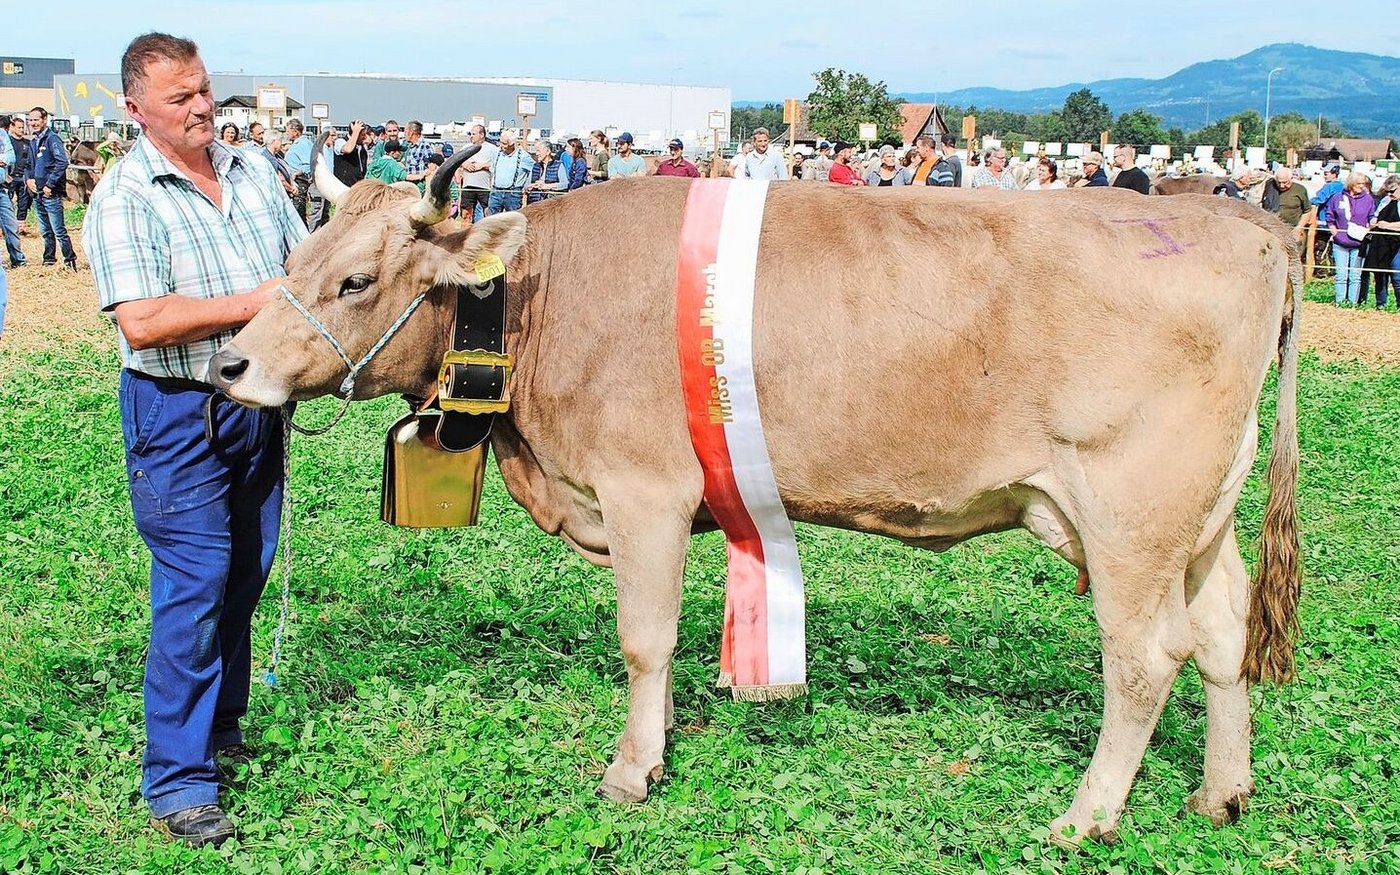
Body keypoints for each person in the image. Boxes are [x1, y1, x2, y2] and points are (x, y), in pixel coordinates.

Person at [82, 31, 307, 849]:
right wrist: (257, 300)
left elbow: (303, 264)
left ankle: (220, 726)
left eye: (206, 90)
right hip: (176, 413)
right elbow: (142, 322)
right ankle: (177, 781)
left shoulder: (253, 172)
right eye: (180, 98)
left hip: (253, 406)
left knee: (245, 571)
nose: (203, 107)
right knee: (195, 585)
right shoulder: (124, 195)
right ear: (136, 110)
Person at [25, 107, 77, 268]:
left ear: (45, 119)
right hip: (37, 193)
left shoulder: (52, 139)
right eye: (31, 120)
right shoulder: (34, 141)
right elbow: (28, 165)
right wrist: (28, 180)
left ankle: (69, 260)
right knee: (45, 230)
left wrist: (50, 184)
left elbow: (62, 162)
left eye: (36, 120)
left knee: (58, 230)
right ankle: (48, 259)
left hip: (50, 193)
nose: (33, 123)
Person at [1326, 171, 1377, 307]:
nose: (1362, 186)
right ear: (1351, 184)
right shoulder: (1337, 198)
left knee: (1355, 276)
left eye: (1363, 184)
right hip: (1340, 242)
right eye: (1359, 183)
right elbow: (1329, 216)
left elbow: (1371, 215)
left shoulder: (1368, 199)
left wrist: (1372, 223)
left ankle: (1353, 303)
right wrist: (1334, 232)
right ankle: (1340, 302)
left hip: (1359, 242)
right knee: (1341, 275)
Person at [0, 116, 26, 268]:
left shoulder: (3, 136)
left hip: (2, 189)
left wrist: (4, 159)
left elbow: (11, 158)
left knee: (11, 226)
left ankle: (18, 260)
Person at [458, 124, 498, 222]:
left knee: (488, 212)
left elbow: (497, 165)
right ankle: (465, 233)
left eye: (474, 134)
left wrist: (482, 165)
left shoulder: (493, 149)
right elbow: (458, 161)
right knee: (466, 213)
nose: (471, 136)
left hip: (484, 186)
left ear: (482, 135)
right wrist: (465, 164)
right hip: (468, 185)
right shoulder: (466, 148)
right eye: (471, 134)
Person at [487, 133, 531, 213]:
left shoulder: (524, 156)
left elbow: (532, 170)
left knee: (512, 220)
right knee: (492, 219)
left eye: (504, 144)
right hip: (496, 192)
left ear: (512, 144)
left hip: (513, 193)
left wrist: (527, 185)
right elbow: (492, 168)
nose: (501, 145)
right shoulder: (496, 153)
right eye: (500, 142)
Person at [281, 119, 312, 226]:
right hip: (293, 180)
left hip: (299, 181)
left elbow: (309, 164)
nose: (286, 133)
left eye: (288, 131)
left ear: (295, 131)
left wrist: (297, 173)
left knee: (298, 212)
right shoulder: (296, 144)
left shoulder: (303, 144)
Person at [1269, 167, 1310, 240]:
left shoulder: (1300, 190)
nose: (1281, 186)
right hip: (1273, 230)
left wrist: (1299, 227)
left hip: (1293, 230)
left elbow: (1307, 211)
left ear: (1291, 178)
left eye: (1285, 182)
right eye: (1279, 182)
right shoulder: (1270, 188)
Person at [8, 116, 32, 229]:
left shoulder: (28, 143)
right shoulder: (7, 142)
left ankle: (20, 225)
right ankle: (5, 225)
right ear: (12, 127)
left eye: (23, 127)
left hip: (23, 177)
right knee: (7, 201)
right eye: (19, 127)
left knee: (24, 202)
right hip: (10, 177)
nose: (21, 130)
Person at [332, 120, 370, 188]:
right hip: (342, 186)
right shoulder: (340, 141)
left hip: (358, 186)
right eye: (362, 135)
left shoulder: (362, 147)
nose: (365, 137)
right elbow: (348, 149)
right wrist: (355, 132)